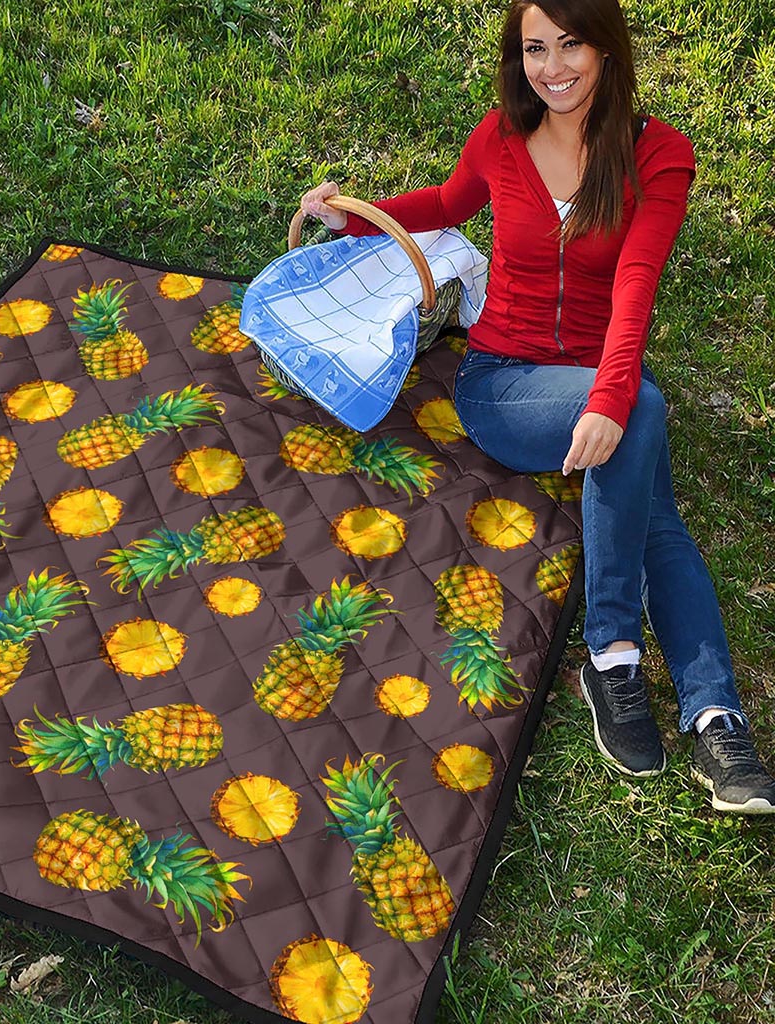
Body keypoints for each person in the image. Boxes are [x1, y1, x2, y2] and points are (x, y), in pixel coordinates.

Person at [299, 0, 774, 814]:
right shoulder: (501, 137)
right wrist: (354, 220)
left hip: (595, 375)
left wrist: (612, 396)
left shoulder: (658, 155)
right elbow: (447, 205)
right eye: (535, 49)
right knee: (644, 425)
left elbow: (636, 284)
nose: (552, 67)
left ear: (607, 49)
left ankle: (708, 712)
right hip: (502, 383)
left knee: (650, 484)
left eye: (571, 44)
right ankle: (623, 657)